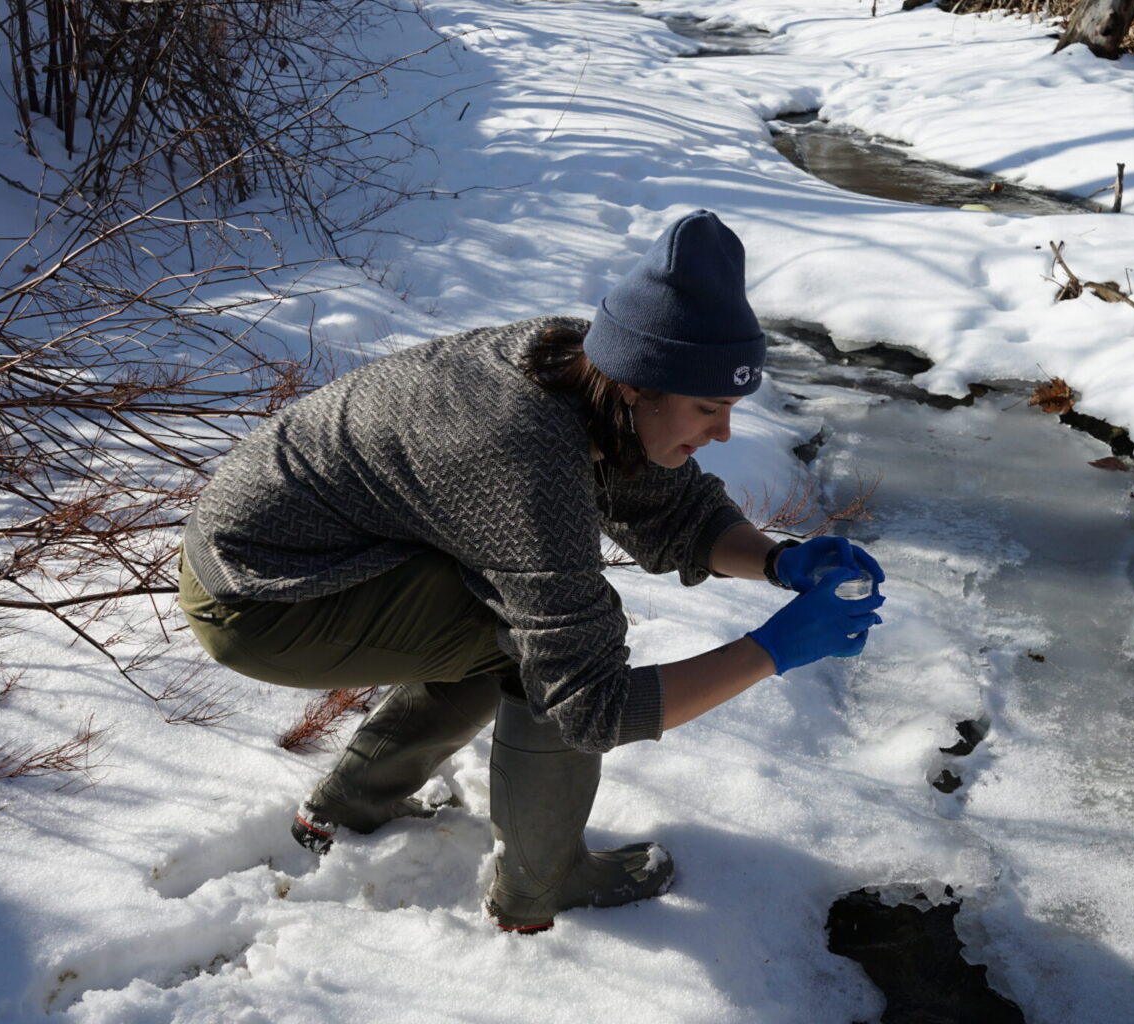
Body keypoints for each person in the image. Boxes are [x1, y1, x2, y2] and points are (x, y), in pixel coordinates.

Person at [178, 210, 887, 933]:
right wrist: (776, 648)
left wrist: (776, 559)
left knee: (516, 627)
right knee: (532, 649)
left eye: (732, 408)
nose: (724, 433)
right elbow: (591, 707)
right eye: (708, 408)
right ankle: (541, 886)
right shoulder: (521, 455)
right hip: (264, 601)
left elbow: (668, 507)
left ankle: (346, 810)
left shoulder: (575, 367)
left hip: (307, 558)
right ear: (640, 386)